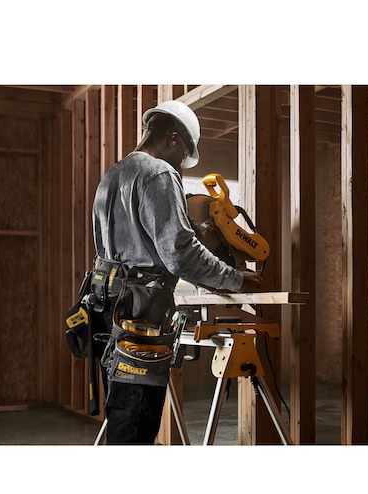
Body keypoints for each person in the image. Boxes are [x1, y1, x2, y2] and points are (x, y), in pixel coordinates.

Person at [92, 100, 263, 444]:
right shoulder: (157, 173)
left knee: (122, 421)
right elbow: (179, 254)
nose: (180, 165)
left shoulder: (113, 175)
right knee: (136, 429)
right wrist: (236, 279)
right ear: (173, 139)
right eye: (183, 155)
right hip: (143, 318)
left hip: (111, 310)